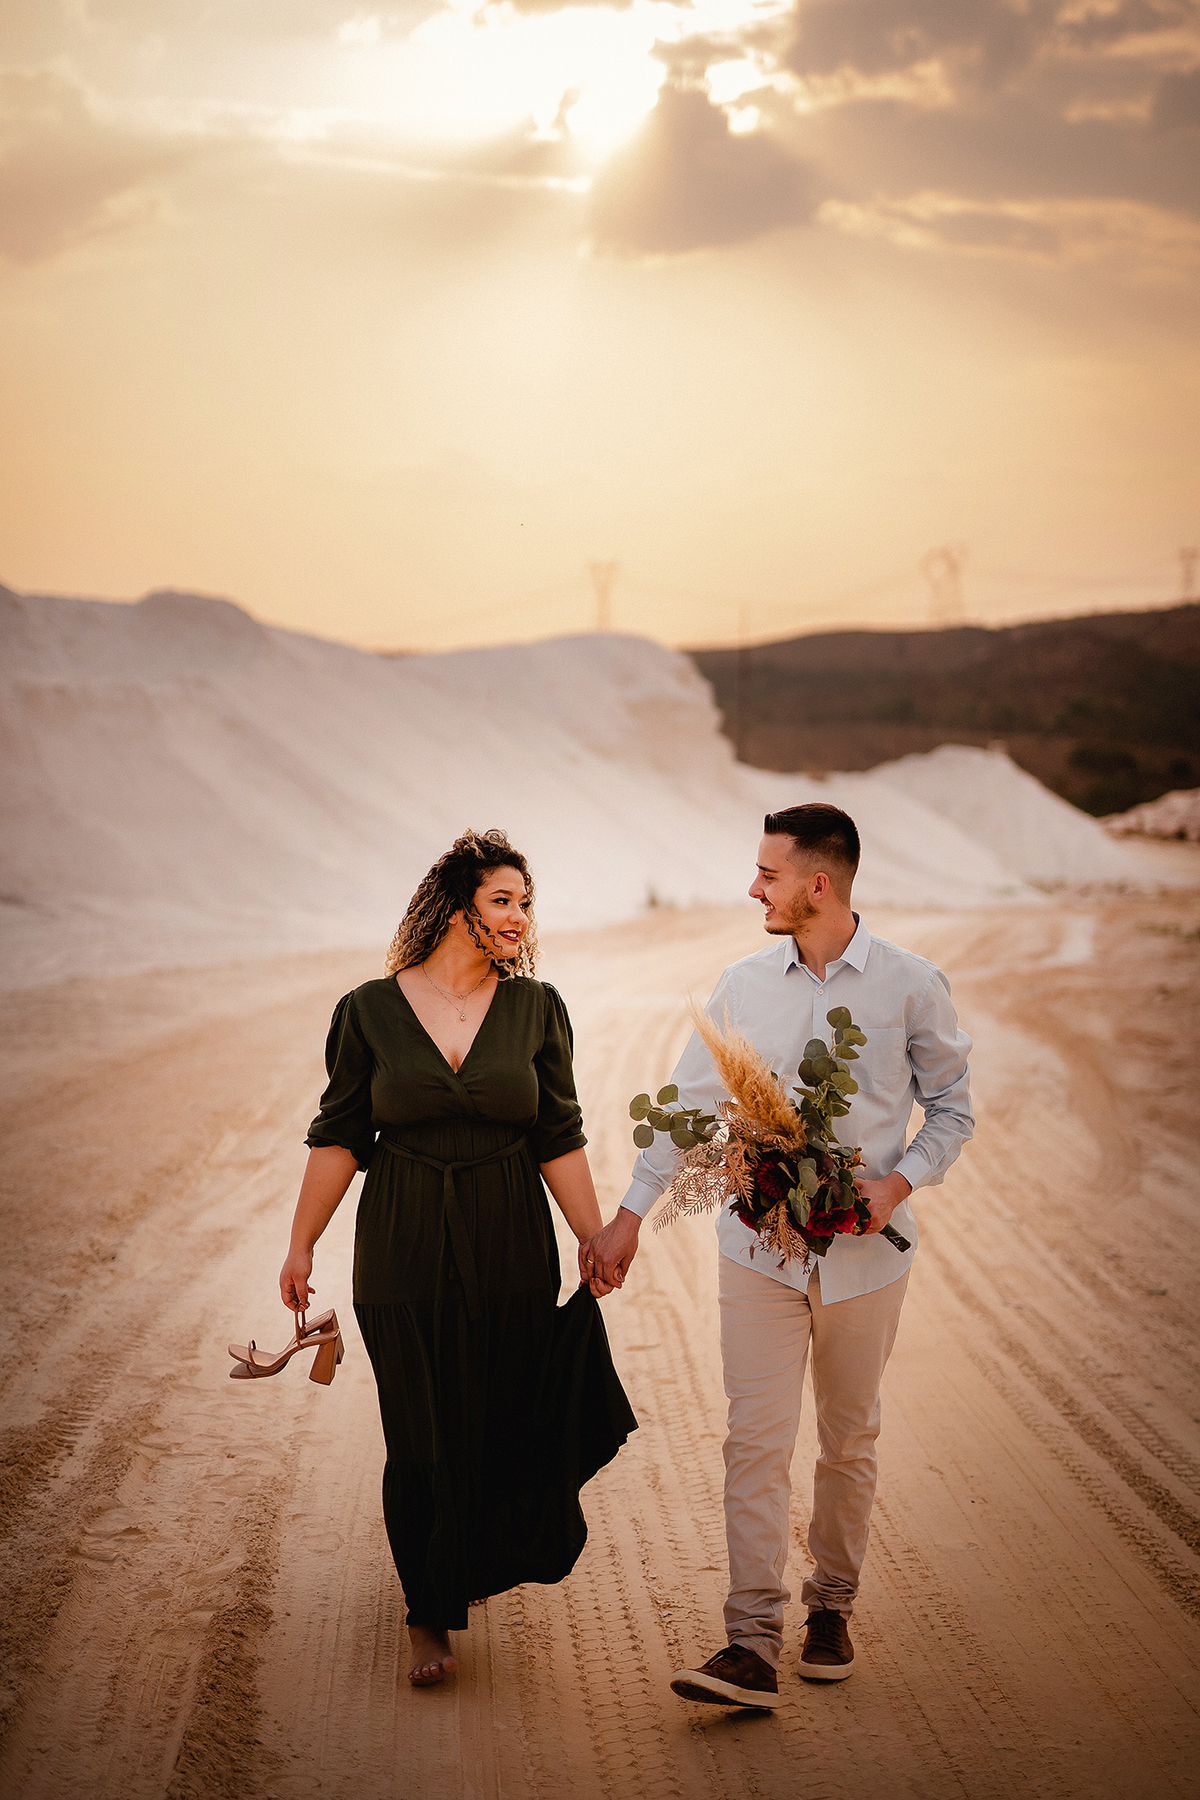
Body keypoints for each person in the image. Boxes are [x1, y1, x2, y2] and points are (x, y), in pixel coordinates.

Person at [583, 804, 973, 1709]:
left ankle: (830, 1607)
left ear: (818, 885)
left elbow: (953, 1109)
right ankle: (750, 1641)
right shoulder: (743, 984)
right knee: (754, 1441)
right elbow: (685, 1110)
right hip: (757, 1251)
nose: (753, 888)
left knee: (849, 1437)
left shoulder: (911, 986)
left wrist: (897, 1184)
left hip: (866, 1260)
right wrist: (630, 1217)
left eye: (768, 873)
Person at [280, 827, 636, 1688]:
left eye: (525, 904)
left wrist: (592, 1234)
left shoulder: (537, 1007)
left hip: (508, 1231)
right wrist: (301, 1242)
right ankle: (427, 1613)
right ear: (455, 908)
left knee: (499, 1409)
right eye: (501, 900)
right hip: (402, 1233)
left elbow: (558, 1133)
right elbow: (340, 1136)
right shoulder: (369, 1009)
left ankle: (470, 1554)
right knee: (420, 1425)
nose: (519, 918)